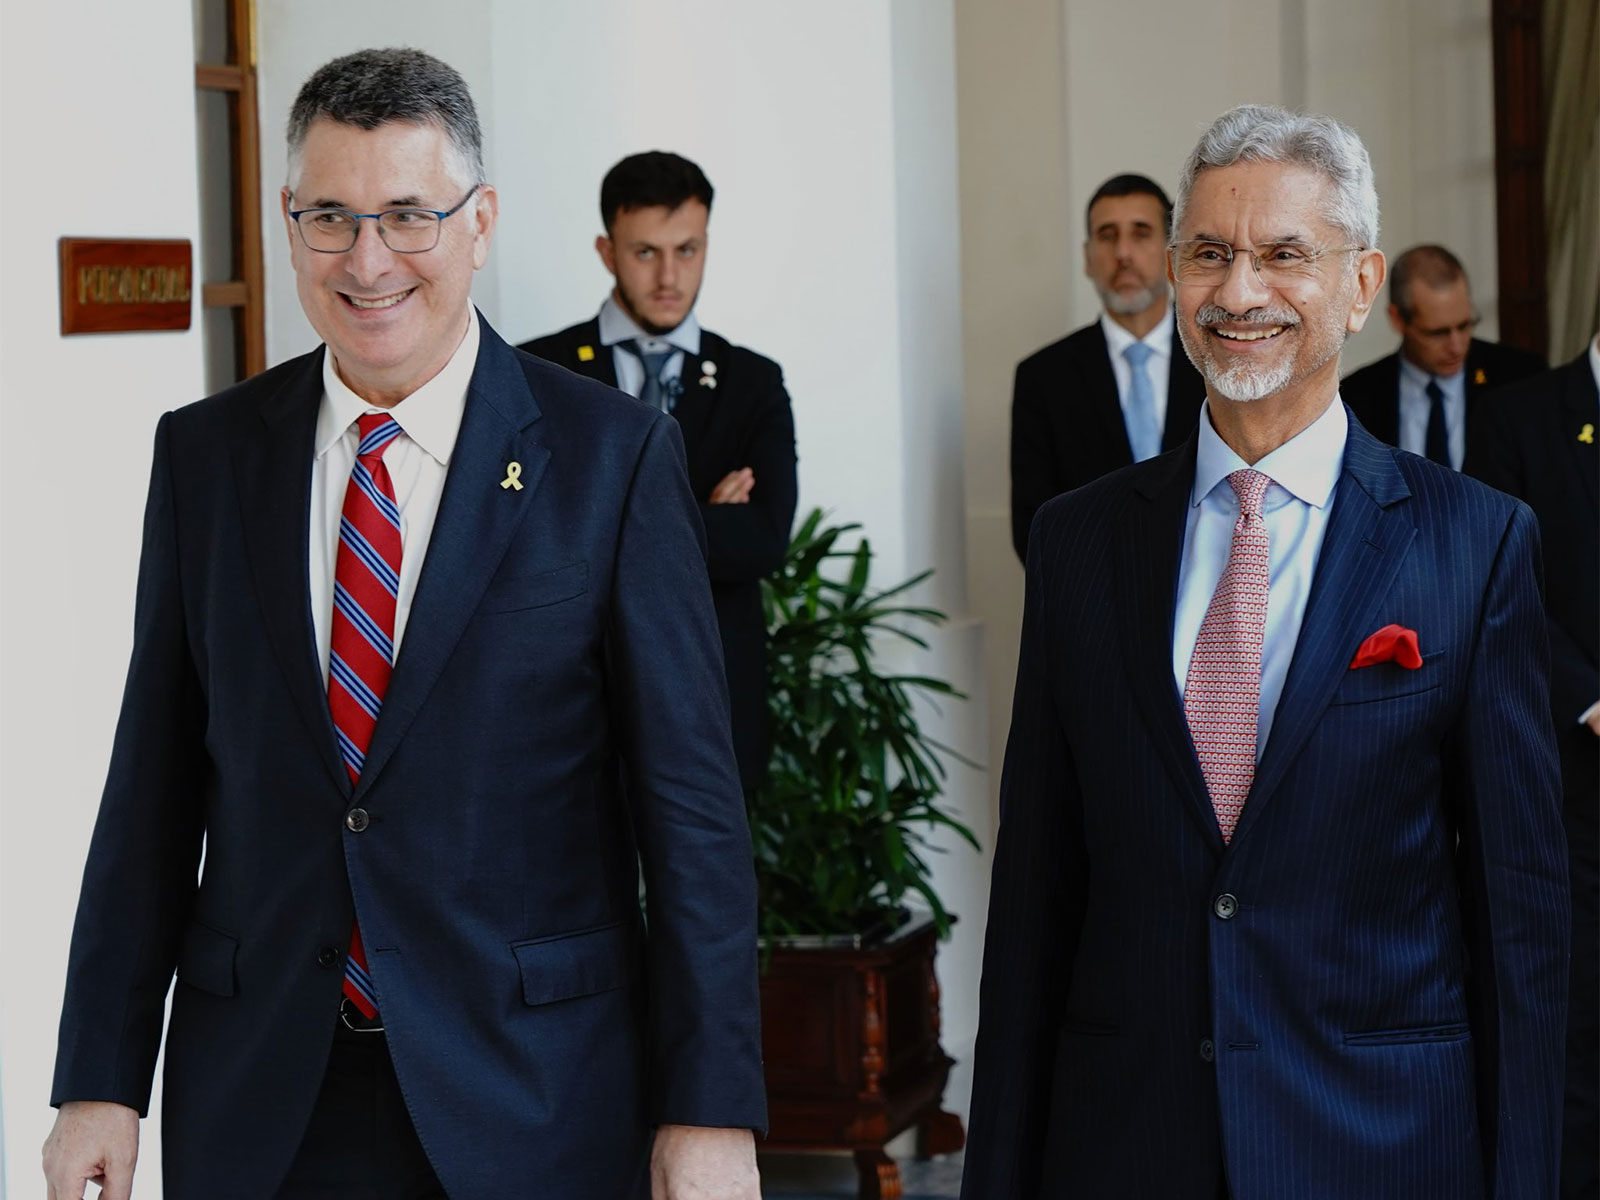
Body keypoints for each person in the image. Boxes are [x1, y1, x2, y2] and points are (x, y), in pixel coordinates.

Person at [42, 48, 764, 1200]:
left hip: (531, 1092)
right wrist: (100, 1077)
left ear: (478, 224)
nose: (367, 260)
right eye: (331, 216)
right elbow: (154, 786)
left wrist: (711, 1110)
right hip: (268, 1096)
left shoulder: (609, 460)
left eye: (408, 216)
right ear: (288, 223)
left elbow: (691, 817)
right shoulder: (208, 457)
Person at [962, 104, 1568, 1200]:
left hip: (1382, 1150)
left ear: (1359, 285)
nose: (1238, 293)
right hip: (1125, 1148)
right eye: (1209, 254)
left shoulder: (1473, 544)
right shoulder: (1076, 543)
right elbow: (1036, 898)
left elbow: (1518, 923)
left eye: (1284, 255)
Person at [521, 151, 797, 793]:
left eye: (688, 250)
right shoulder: (539, 372)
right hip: (569, 702)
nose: (670, 276)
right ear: (605, 250)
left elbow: (762, 539)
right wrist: (703, 518)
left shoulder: (752, 381)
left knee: (706, 892)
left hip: (713, 692)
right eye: (645, 253)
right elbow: (528, 537)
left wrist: (601, 518)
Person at [1466, 333, 1600, 1200]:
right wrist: (1589, 698)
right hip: (1570, 776)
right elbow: (1497, 584)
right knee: (1578, 1029)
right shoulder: (1518, 415)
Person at [1009, 173, 1206, 561]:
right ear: (1087, 257)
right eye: (1107, 235)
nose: (1123, 253)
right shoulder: (1043, 377)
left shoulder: (1217, 358)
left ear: (1172, 254)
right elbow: (1033, 527)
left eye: (1140, 233)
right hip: (1090, 602)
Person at [1340, 244, 1545, 468]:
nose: (1456, 346)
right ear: (1398, 319)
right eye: (1438, 333)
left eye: (1465, 325)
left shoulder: (1520, 378)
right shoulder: (1356, 397)